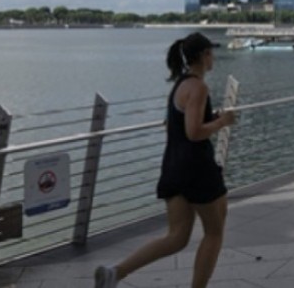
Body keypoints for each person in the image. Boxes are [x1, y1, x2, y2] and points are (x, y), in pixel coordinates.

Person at [94, 32, 237, 288]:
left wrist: (209, 118)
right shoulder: (199, 87)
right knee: (214, 233)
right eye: (211, 53)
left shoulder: (179, 86)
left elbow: (172, 125)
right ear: (203, 56)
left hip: (174, 166)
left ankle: (115, 273)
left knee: (177, 236)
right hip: (198, 169)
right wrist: (222, 122)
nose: (213, 58)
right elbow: (194, 133)